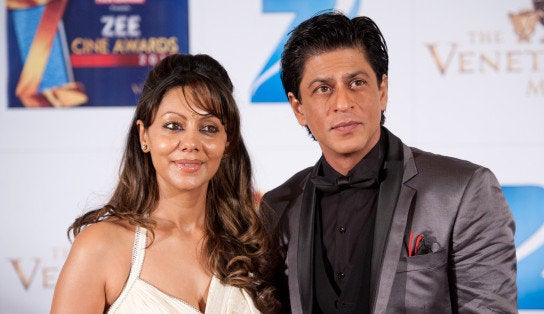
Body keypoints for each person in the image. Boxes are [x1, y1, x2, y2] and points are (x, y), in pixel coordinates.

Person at [260, 12, 518, 313]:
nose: (343, 103)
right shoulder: (277, 206)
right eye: (323, 89)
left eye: (356, 83)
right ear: (298, 108)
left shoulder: (463, 190)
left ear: (382, 91)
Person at [51, 54, 280, 313]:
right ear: (144, 135)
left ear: (227, 143)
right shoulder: (101, 246)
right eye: (173, 126)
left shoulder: (252, 246)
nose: (191, 143)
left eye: (208, 128)